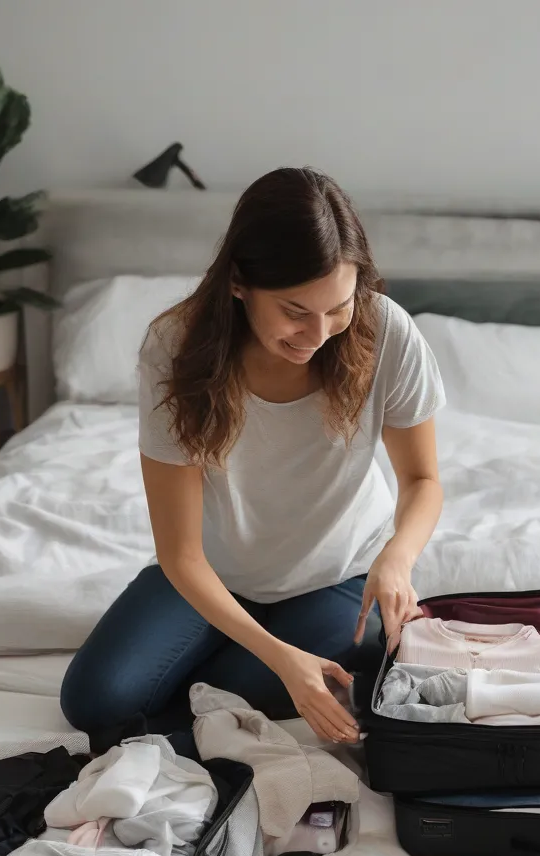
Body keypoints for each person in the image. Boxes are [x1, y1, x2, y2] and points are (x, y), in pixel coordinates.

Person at [59, 167, 445, 750]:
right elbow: (181, 553)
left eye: (337, 307)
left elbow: (422, 479)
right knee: (94, 701)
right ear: (239, 282)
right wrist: (281, 659)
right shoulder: (175, 348)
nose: (319, 333)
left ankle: (229, 689)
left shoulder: (386, 332)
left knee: (299, 666)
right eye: (295, 311)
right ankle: (249, 665)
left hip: (337, 578)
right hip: (210, 574)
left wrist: (397, 557)